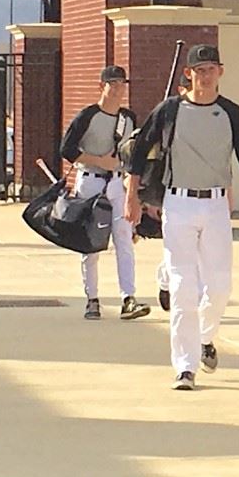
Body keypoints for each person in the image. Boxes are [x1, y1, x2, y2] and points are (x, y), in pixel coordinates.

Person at [125, 44, 239, 391]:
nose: (205, 75)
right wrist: (132, 196)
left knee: (219, 286)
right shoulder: (170, 110)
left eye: (210, 69)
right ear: (188, 74)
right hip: (179, 203)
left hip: (217, 204)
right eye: (198, 70)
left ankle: (205, 337)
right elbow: (140, 149)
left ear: (221, 71)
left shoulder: (231, 113)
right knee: (183, 286)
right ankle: (185, 366)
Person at [60, 65, 151, 321]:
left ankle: (128, 298)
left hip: (117, 184)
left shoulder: (129, 117)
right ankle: (92, 299)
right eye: (114, 84)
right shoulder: (87, 116)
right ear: (102, 86)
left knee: (124, 240)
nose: (119, 89)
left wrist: (136, 194)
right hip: (90, 181)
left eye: (123, 84)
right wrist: (99, 161)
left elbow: (136, 153)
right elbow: (67, 149)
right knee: (91, 244)